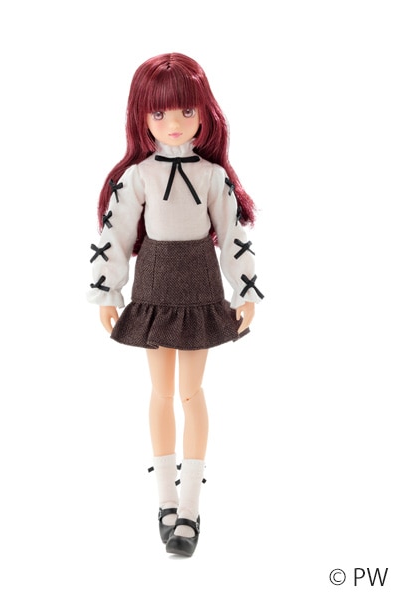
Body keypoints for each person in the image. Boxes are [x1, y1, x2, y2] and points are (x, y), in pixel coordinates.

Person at [88, 52, 263, 557]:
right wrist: (106, 289)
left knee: (191, 392)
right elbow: (116, 232)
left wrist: (245, 289)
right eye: (160, 112)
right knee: (161, 391)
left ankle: (190, 506)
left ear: (205, 112)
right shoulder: (138, 175)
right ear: (141, 116)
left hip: (199, 287)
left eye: (186, 111)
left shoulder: (212, 175)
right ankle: (165, 499)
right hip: (155, 285)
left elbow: (233, 235)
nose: (173, 123)